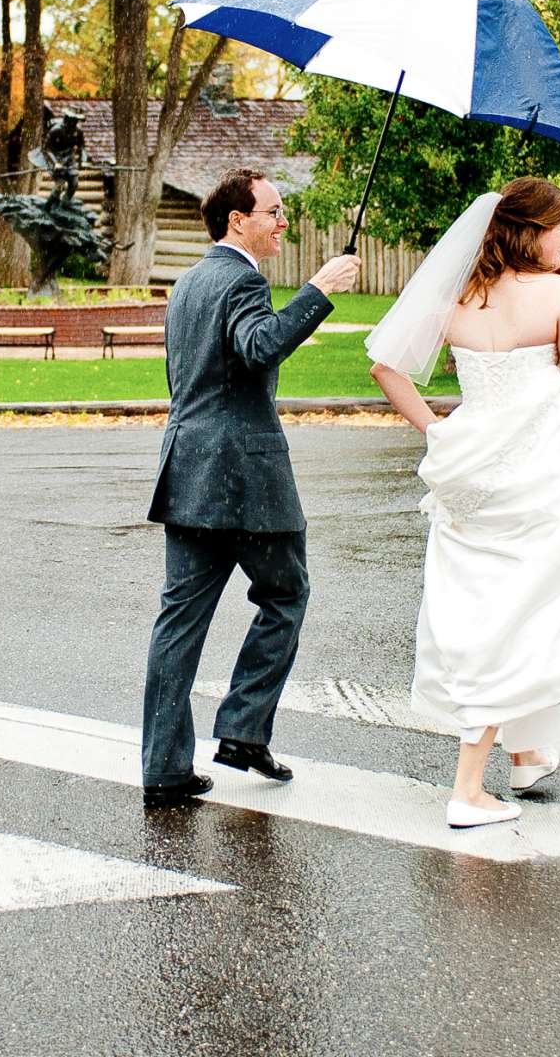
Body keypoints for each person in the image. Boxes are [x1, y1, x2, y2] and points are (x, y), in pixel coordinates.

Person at [366, 177, 560, 829]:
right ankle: (468, 790)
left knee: (495, 604)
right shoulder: (557, 293)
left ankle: (528, 751)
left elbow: (385, 367)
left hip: (472, 469)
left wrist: (436, 429)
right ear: (533, 232)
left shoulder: (460, 297)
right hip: (543, 474)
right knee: (528, 611)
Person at [139, 168, 362, 809]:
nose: (283, 220)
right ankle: (240, 730)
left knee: (178, 623)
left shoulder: (188, 282)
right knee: (287, 594)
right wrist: (318, 289)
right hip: (247, 478)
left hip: (187, 472)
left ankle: (164, 767)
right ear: (239, 219)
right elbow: (259, 347)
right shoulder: (241, 279)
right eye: (274, 210)